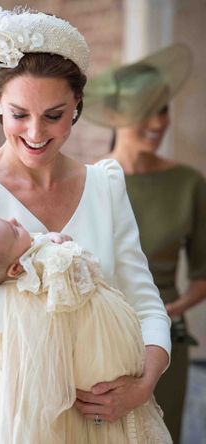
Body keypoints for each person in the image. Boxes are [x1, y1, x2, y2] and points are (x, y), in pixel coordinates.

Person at [0, 3, 172, 443]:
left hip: (110, 421)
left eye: (54, 115)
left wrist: (143, 385)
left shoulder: (105, 184)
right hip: (10, 422)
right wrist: (84, 302)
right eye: (19, 114)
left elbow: (147, 304)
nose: (36, 133)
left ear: (77, 105)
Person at [0, 214, 172, 442]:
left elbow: (147, 305)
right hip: (75, 392)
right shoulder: (33, 273)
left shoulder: (22, 251)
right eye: (13, 231)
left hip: (118, 392)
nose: (15, 219)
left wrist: (53, 239)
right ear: (15, 269)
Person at [83, 43, 206, 443]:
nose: (158, 122)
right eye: (145, 109)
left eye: (164, 108)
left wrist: (174, 308)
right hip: (97, 341)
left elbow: (204, 272)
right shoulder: (88, 183)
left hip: (165, 342)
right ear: (115, 115)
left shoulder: (189, 184)